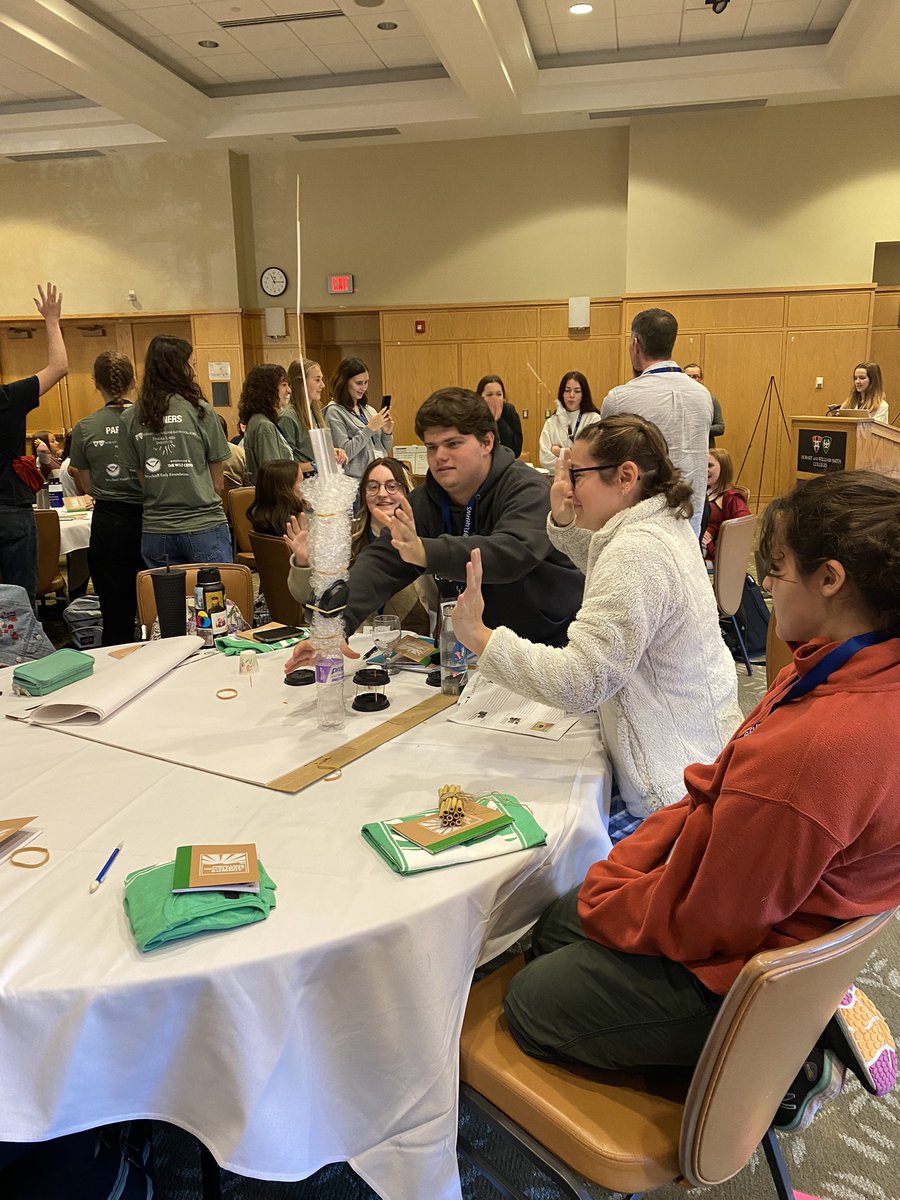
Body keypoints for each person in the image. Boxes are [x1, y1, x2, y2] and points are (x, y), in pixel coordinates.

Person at [499, 469, 900, 1133]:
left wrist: (621, 887)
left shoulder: (816, 750)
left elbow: (709, 919)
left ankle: (775, 1067)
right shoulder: (856, 670)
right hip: (785, 918)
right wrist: (634, 874)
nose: (765, 586)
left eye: (779, 569)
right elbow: (716, 806)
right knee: (553, 925)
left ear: (831, 580)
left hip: (749, 967)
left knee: (529, 1001)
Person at [453, 414, 741, 819]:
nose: (567, 489)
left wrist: (479, 636)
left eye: (577, 475)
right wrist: (568, 523)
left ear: (625, 477)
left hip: (672, 795)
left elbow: (581, 682)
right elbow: (608, 563)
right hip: (703, 761)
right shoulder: (661, 524)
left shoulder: (637, 550)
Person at [283, 388, 584, 676]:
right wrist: (335, 627)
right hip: (473, 655)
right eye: (431, 447)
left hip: (548, 648)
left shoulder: (526, 487)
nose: (439, 455)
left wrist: (425, 552)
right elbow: (381, 561)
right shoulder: (429, 498)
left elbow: (511, 554)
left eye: (453, 444)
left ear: (487, 443)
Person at [119, 334, 232, 568]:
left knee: (166, 603)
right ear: (178, 368)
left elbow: (141, 477)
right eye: (192, 364)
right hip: (204, 525)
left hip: (157, 530)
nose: (195, 372)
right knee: (215, 602)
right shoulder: (201, 412)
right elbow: (218, 483)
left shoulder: (130, 417)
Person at [285, 457, 432, 633]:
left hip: (412, 642)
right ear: (363, 493)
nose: (382, 494)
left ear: (408, 492)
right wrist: (304, 563)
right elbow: (306, 596)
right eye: (373, 487)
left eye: (392, 486)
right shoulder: (344, 538)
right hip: (354, 641)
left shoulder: (424, 537)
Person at [601, 309, 712, 536]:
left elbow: (607, 464)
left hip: (640, 525)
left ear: (635, 345)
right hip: (691, 519)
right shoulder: (702, 395)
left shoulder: (620, 399)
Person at [69, 351, 145, 646]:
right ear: (134, 382)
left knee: (115, 611)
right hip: (150, 517)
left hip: (109, 522)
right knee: (159, 602)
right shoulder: (148, 421)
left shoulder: (85, 427)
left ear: (95, 384)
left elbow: (86, 484)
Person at [0, 282, 67, 609]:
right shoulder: (8, 398)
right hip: (10, 510)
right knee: (18, 605)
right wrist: (51, 321)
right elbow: (59, 368)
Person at [324, 356, 393, 479]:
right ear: (345, 382)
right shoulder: (334, 412)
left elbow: (385, 450)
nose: (364, 387)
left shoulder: (368, 409)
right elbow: (345, 454)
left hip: (377, 477)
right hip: (354, 483)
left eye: (366, 382)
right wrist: (369, 429)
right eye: (359, 383)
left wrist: (387, 433)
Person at [281, 358, 348, 471]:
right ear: (301, 383)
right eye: (317, 380)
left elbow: (314, 452)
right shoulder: (288, 418)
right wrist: (318, 465)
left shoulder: (316, 412)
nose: (323, 385)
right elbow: (286, 466)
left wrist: (334, 453)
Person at [239, 363, 293, 484]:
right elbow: (273, 478)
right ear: (268, 389)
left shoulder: (259, 421)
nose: (289, 390)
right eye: (284, 385)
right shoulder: (264, 426)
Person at [538, 371, 601, 470]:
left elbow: (592, 457)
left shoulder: (593, 419)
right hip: (557, 479)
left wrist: (559, 452)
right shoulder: (551, 422)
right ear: (562, 393)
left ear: (583, 394)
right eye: (567, 390)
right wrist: (574, 461)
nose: (571, 395)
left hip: (585, 478)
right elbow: (544, 460)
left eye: (577, 391)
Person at [702, 447, 751, 566]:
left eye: (709, 465)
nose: (704, 469)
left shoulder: (731, 497)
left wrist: (710, 544)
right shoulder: (705, 491)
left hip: (711, 556)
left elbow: (744, 527)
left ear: (723, 468)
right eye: (703, 465)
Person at [247, 458, 304, 537]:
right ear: (286, 489)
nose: (305, 486)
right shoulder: (296, 523)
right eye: (301, 481)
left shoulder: (259, 516)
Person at [477, 374, 523, 458]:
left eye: (498, 394)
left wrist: (498, 421)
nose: (495, 399)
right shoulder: (475, 414)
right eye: (489, 395)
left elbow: (516, 451)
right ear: (480, 398)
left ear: (504, 397)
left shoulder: (509, 412)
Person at [684, 362, 725, 445]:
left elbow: (720, 427)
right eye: (688, 377)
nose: (692, 379)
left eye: (695, 377)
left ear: (701, 379)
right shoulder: (677, 400)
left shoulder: (710, 400)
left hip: (706, 449)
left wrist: (699, 429)